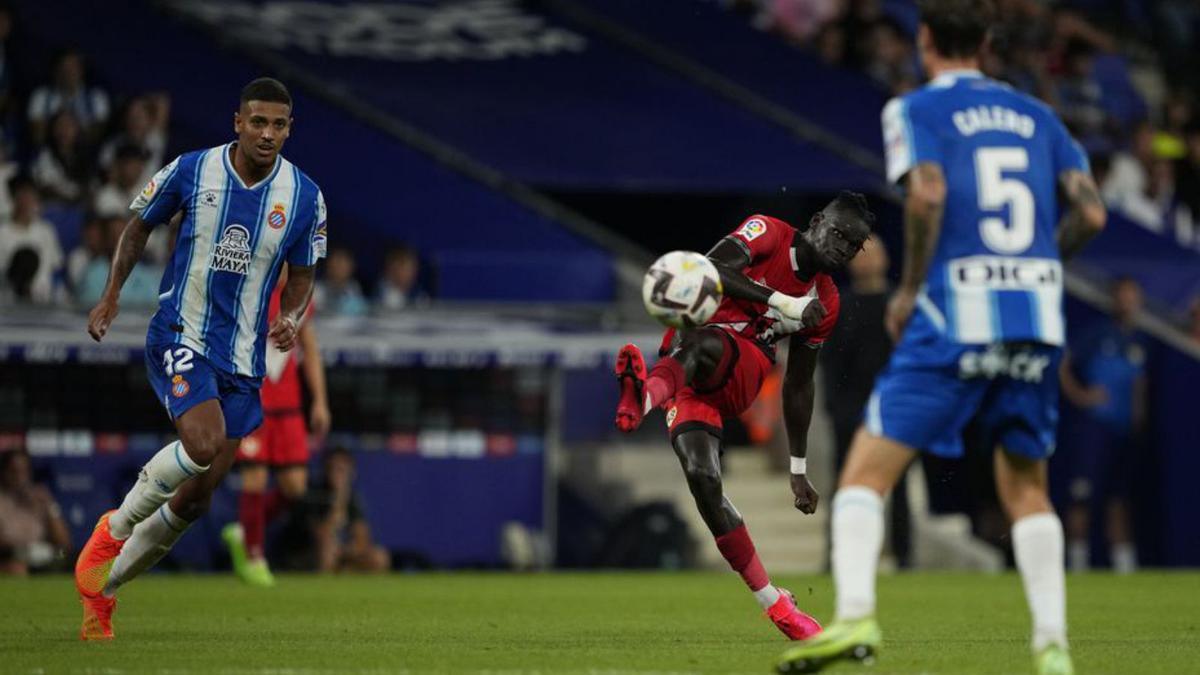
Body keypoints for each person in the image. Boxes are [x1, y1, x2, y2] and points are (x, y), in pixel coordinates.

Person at [777, 0, 1106, 672]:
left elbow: (926, 193)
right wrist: (1037, 266)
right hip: (1035, 315)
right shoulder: (1039, 115)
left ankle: (855, 618)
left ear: (925, 40)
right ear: (986, 43)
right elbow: (1092, 212)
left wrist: (909, 288)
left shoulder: (915, 109)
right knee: (1026, 487)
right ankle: (1052, 646)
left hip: (958, 310)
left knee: (865, 472)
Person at [73, 77, 327, 641]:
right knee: (203, 442)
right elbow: (138, 225)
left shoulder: (305, 197)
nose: (267, 133)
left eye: (278, 124)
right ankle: (112, 530)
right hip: (181, 333)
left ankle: (102, 591)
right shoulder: (193, 170)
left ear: (289, 129)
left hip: (243, 360)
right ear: (238, 121)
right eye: (257, 121)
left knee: (196, 499)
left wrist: (291, 317)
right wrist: (113, 292)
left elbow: (304, 274)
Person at [614, 192, 874, 641]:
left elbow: (798, 384)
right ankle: (775, 604)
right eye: (838, 234)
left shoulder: (826, 303)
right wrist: (784, 302)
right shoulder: (768, 233)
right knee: (704, 480)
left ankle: (643, 398)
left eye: (853, 245)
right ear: (816, 222)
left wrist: (798, 467)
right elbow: (709, 270)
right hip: (687, 375)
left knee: (701, 339)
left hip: (742, 369)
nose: (843, 249)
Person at [222, 267, 331, 587]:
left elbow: (309, 351)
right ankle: (254, 556)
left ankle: (244, 530)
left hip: (289, 409)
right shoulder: (248, 293)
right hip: (254, 403)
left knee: (295, 487)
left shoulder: (298, 299)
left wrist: (320, 401)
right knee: (254, 477)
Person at [818, 237, 905, 567]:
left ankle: (903, 553)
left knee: (899, 486)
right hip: (850, 410)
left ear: (886, 259)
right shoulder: (838, 305)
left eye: (874, 253)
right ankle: (837, 554)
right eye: (860, 254)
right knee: (844, 482)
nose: (867, 260)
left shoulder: (900, 303)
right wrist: (833, 407)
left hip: (895, 409)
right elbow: (829, 363)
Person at [1059, 277, 1147, 573]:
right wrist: (1081, 395)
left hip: (1124, 432)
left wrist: (1138, 417)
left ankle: (1124, 565)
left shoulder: (1138, 341)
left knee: (1118, 498)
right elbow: (1064, 362)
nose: (1129, 303)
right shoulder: (1097, 334)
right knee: (1082, 495)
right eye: (1124, 296)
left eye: (1133, 297)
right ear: (1114, 299)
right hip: (1094, 429)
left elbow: (1139, 386)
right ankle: (1077, 562)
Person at [277, 446, 390, 573]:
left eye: (342, 469)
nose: (337, 474)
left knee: (379, 557)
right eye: (333, 468)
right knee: (327, 550)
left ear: (351, 472)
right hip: (305, 554)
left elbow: (362, 537)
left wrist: (349, 549)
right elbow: (321, 535)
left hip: (341, 552)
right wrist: (338, 506)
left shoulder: (352, 497)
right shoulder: (313, 495)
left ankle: (345, 574)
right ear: (325, 469)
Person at [0, 449, 71, 575]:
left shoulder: (40, 498)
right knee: (17, 569)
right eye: (14, 471)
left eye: (23, 472)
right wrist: (21, 551)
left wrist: (49, 506)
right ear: (4, 473)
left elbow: (63, 542)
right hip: (8, 561)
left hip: (41, 563)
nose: (19, 477)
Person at [0, 177, 62, 303]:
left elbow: (56, 267)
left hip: (43, 303)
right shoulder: (2, 232)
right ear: (14, 200)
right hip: (10, 304)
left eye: (31, 197)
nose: (27, 202)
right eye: (23, 197)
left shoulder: (46, 231)